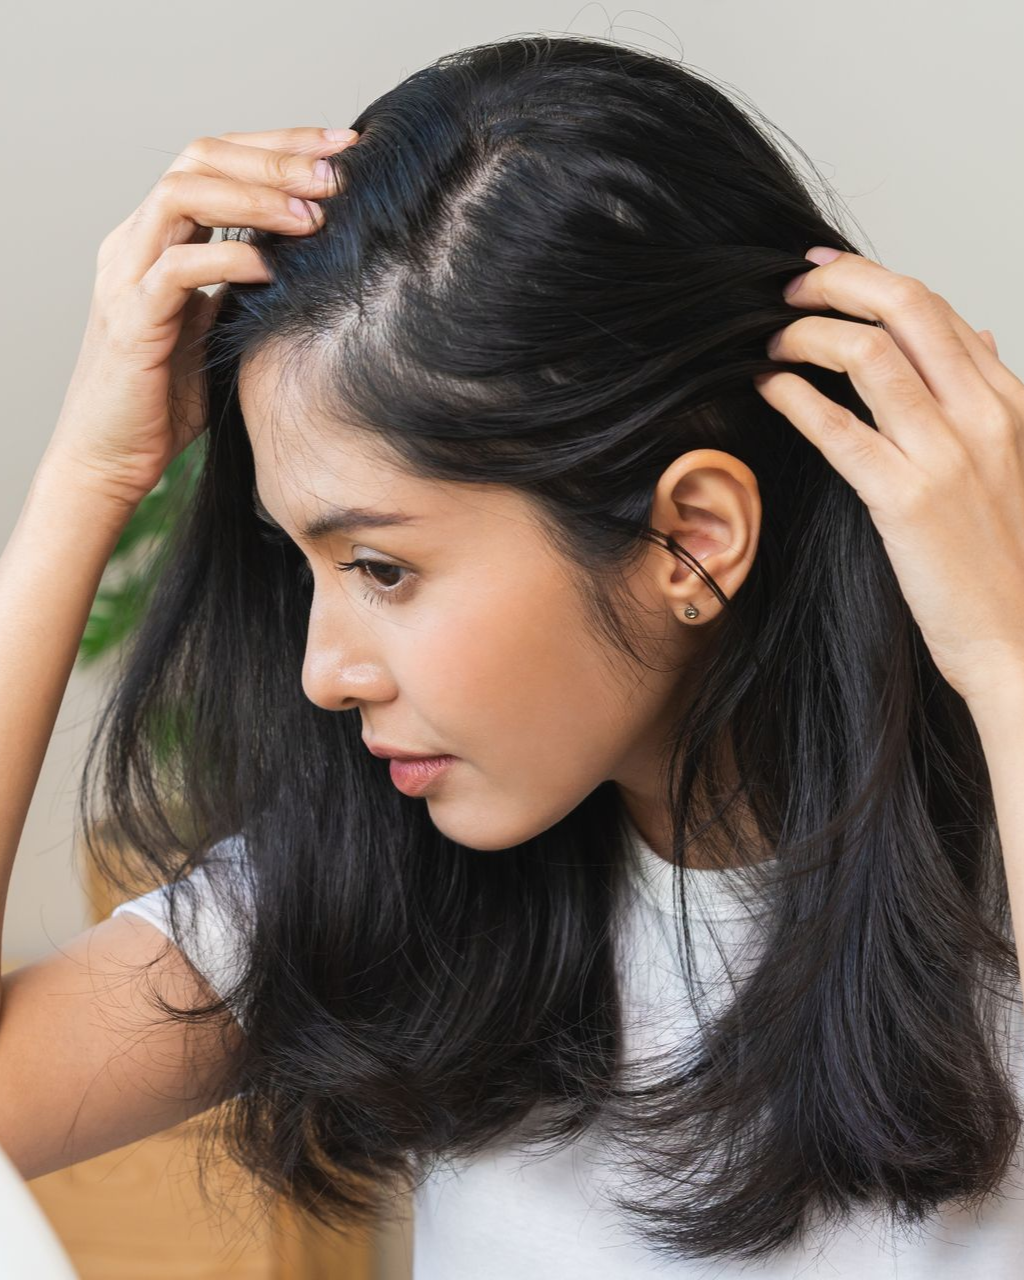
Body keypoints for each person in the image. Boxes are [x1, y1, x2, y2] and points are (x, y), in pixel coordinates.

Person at [2, 32, 1023, 1280]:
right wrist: (87, 475)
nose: (325, 671)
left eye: (381, 567)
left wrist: (1008, 661)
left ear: (689, 540)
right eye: (303, 565)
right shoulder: (371, 883)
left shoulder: (988, 884)